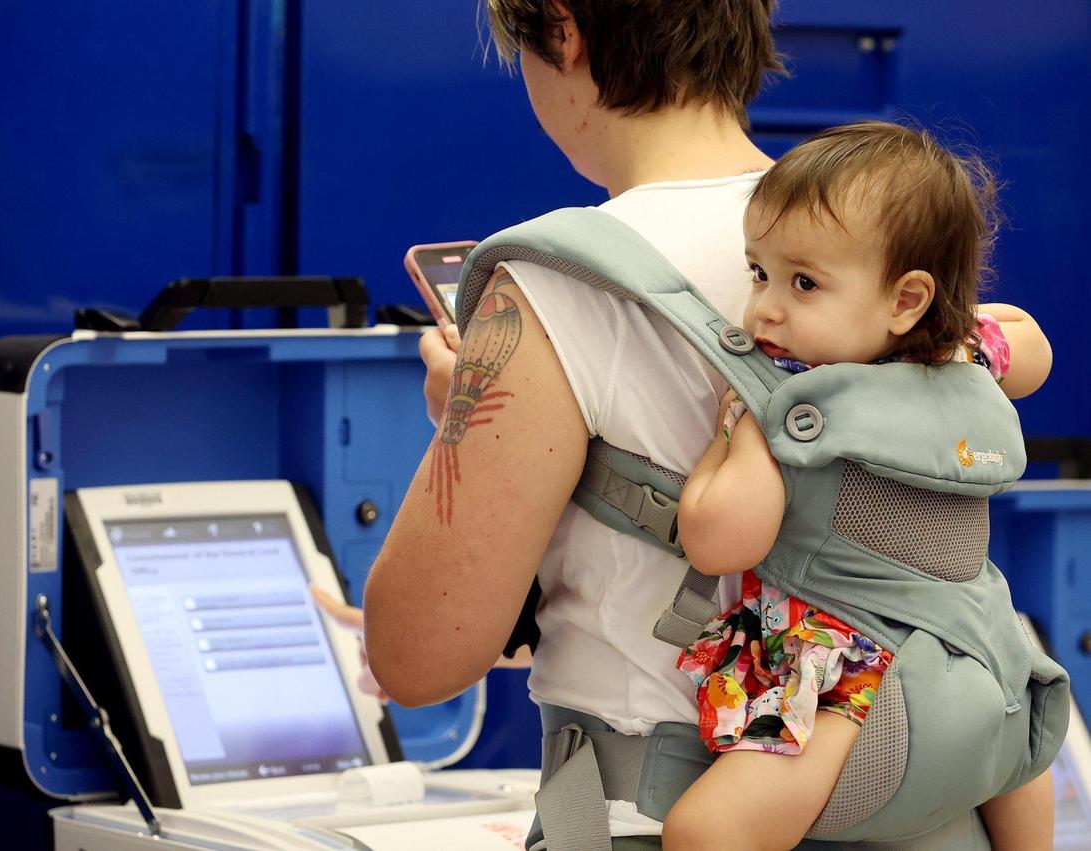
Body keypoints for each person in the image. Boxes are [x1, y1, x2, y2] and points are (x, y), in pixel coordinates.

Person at [356, 1, 1054, 846]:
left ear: (565, 31)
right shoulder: (869, 241)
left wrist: (461, 417)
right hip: (935, 800)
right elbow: (1009, 347)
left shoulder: (553, 286)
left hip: (658, 811)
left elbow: (417, 657)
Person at [661, 121, 1054, 851]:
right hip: (990, 664)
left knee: (703, 829)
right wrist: (963, 337)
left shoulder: (792, 398)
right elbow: (1033, 344)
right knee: (1021, 756)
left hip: (855, 679)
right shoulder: (968, 360)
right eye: (758, 272)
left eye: (803, 282)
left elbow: (720, 541)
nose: (765, 309)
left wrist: (736, 430)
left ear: (907, 299)